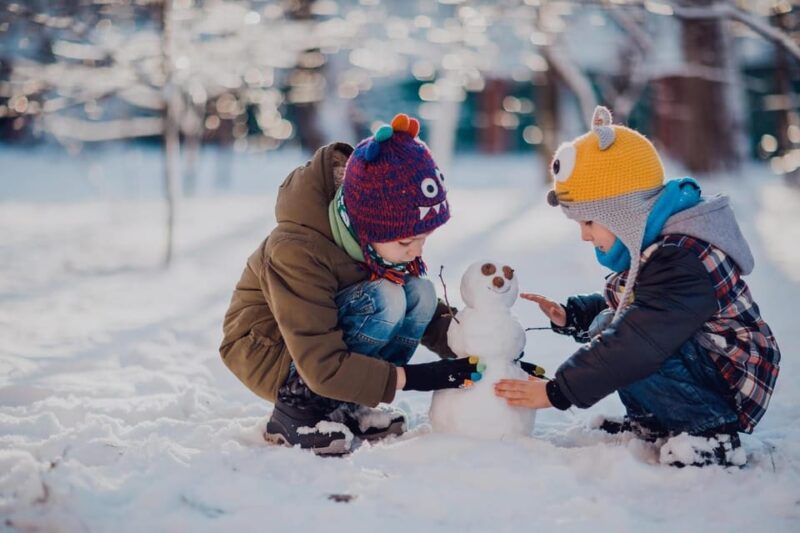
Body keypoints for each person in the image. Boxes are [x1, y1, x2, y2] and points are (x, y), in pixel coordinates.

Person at [495, 106, 780, 467]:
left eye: (588, 222)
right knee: (610, 327)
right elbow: (637, 307)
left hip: (730, 373)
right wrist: (574, 314)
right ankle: (657, 423)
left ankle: (709, 432)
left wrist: (557, 391)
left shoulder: (682, 256)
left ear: (622, 213)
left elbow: (640, 337)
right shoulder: (658, 244)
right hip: (704, 360)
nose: (584, 235)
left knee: (629, 341)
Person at [220, 113, 482, 456]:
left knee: (420, 292)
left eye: (424, 238)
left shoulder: (373, 243)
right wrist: (422, 377)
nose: (417, 250)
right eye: (407, 242)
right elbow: (319, 358)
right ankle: (295, 413)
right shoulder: (295, 250)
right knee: (387, 298)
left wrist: (483, 347)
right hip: (272, 350)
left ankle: (347, 403)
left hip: (325, 347)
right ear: (368, 227)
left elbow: (430, 316)